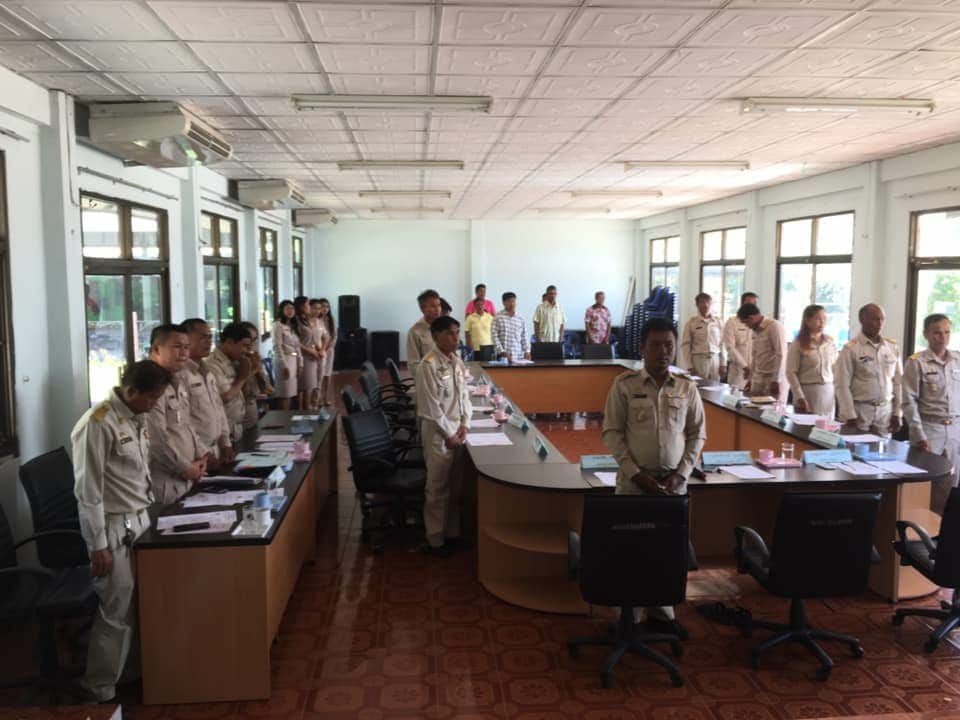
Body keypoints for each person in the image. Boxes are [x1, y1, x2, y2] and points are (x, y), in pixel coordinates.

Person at [71, 359, 172, 703]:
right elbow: (88, 491)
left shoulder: (134, 417)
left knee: (139, 604)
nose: (154, 404)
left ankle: (130, 673)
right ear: (130, 390)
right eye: (151, 397)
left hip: (139, 521)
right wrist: (97, 544)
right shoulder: (98, 423)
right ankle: (99, 687)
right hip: (113, 529)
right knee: (115, 610)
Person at [602, 317, 706, 633]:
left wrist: (681, 474)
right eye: (656, 345)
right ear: (642, 348)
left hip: (672, 486)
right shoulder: (624, 385)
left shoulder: (686, 387)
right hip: (634, 485)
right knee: (630, 550)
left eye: (669, 345)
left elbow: (697, 434)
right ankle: (629, 616)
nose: (663, 351)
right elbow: (612, 433)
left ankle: (662, 614)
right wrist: (636, 475)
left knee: (666, 552)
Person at [416, 315, 472, 556]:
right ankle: (435, 540)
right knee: (437, 489)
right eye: (450, 333)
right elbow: (430, 408)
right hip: (439, 435)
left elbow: (464, 396)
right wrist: (450, 434)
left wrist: (465, 424)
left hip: (457, 432)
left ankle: (452, 534)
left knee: (455, 487)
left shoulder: (456, 361)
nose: (456, 337)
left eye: (457, 332)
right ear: (436, 336)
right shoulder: (428, 365)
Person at [902, 313, 960, 513]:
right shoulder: (917, 361)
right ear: (926, 334)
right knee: (923, 484)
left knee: (952, 483)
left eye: (946, 332)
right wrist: (918, 434)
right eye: (937, 333)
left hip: (954, 429)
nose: (942, 337)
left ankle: (944, 527)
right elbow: (908, 401)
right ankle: (920, 525)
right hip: (930, 428)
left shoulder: (957, 360)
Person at [145, 324, 207, 504]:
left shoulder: (176, 380)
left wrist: (202, 455)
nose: (184, 353)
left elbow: (187, 424)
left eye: (187, 347)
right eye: (177, 347)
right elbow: (157, 439)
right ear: (157, 349)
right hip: (165, 480)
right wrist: (185, 468)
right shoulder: (150, 384)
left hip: (188, 475)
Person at [834, 303, 902, 435]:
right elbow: (842, 385)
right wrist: (849, 415)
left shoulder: (892, 347)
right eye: (875, 319)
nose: (879, 323)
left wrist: (897, 412)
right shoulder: (851, 348)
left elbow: (898, 382)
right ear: (862, 320)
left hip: (885, 411)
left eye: (882, 319)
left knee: (883, 447)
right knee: (856, 446)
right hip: (860, 410)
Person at [181, 318, 234, 466]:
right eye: (203, 337)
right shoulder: (182, 375)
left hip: (217, 450)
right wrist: (204, 453)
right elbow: (185, 422)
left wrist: (225, 442)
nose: (209, 341)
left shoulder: (207, 371)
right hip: (197, 455)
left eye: (210, 337)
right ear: (186, 339)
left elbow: (218, 408)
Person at [204, 322, 253, 443]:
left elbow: (244, 394)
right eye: (244, 346)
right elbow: (225, 397)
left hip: (237, 427)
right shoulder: (212, 364)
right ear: (230, 342)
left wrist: (250, 373)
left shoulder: (235, 361)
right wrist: (242, 378)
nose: (247, 351)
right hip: (223, 430)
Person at [786, 304, 838, 417]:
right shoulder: (798, 343)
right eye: (818, 319)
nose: (822, 322)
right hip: (808, 392)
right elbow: (791, 372)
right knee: (807, 425)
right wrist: (799, 396)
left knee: (827, 425)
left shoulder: (829, 341)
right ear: (807, 321)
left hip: (828, 392)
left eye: (824, 318)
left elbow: (836, 368)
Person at [737, 303, 788, 402]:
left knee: (772, 409)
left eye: (746, 323)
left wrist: (776, 380)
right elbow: (755, 356)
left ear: (751, 318)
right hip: (759, 378)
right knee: (754, 407)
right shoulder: (755, 330)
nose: (747, 326)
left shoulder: (774, 326)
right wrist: (750, 379)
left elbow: (781, 354)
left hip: (773, 378)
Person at [680, 292, 725, 382]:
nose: (706, 305)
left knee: (715, 386)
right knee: (699, 385)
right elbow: (685, 345)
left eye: (708, 302)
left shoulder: (718, 322)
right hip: (699, 360)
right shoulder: (692, 323)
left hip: (715, 359)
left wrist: (723, 363)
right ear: (697, 305)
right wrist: (689, 366)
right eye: (702, 302)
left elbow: (722, 344)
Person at [240, 321, 272, 430]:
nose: (251, 344)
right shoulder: (236, 360)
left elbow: (266, 388)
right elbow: (242, 393)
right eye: (248, 340)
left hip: (254, 408)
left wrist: (258, 370)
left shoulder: (254, 357)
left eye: (254, 340)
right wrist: (251, 371)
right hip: (240, 412)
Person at [723, 292, 758, 390]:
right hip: (738, 370)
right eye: (750, 303)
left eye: (754, 304)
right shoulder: (732, 322)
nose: (752, 306)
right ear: (742, 304)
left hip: (755, 370)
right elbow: (730, 347)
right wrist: (745, 366)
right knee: (736, 397)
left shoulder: (758, 324)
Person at [406, 289, 442, 377]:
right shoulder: (415, 332)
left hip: (445, 376)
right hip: (428, 378)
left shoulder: (444, 328)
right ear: (422, 309)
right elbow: (413, 365)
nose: (437, 309)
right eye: (433, 306)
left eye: (438, 305)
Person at [273, 300, 301, 410]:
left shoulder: (292, 325)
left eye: (292, 308)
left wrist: (300, 362)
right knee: (284, 393)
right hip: (284, 360)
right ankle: (283, 417)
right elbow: (277, 347)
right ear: (282, 310)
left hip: (293, 360)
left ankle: (287, 416)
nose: (290, 311)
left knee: (290, 393)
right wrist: (284, 365)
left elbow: (297, 346)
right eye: (287, 308)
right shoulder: (277, 325)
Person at [295, 297, 321, 411]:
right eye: (308, 305)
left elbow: (314, 337)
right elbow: (296, 342)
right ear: (301, 307)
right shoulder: (296, 321)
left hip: (312, 356)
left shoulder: (305, 319)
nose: (309, 307)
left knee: (309, 386)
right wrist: (310, 351)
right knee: (304, 387)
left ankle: (307, 410)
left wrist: (318, 350)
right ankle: (304, 411)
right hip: (303, 356)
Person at [492, 292, 531, 362]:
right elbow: (494, 336)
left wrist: (527, 351)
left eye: (513, 301)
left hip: (518, 356)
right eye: (509, 301)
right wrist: (502, 351)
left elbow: (524, 336)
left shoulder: (520, 318)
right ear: (503, 303)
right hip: (502, 357)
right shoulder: (498, 317)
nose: (512, 304)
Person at [317, 298, 337, 407]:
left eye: (327, 306)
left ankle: (326, 397)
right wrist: (322, 349)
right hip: (319, 350)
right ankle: (319, 398)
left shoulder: (331, 319)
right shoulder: (316, 319)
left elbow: (334, 335)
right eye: (323, 306)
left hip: (329, 350)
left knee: (327, 374)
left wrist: (329, 347)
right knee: (320, 374)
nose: (325, 309)